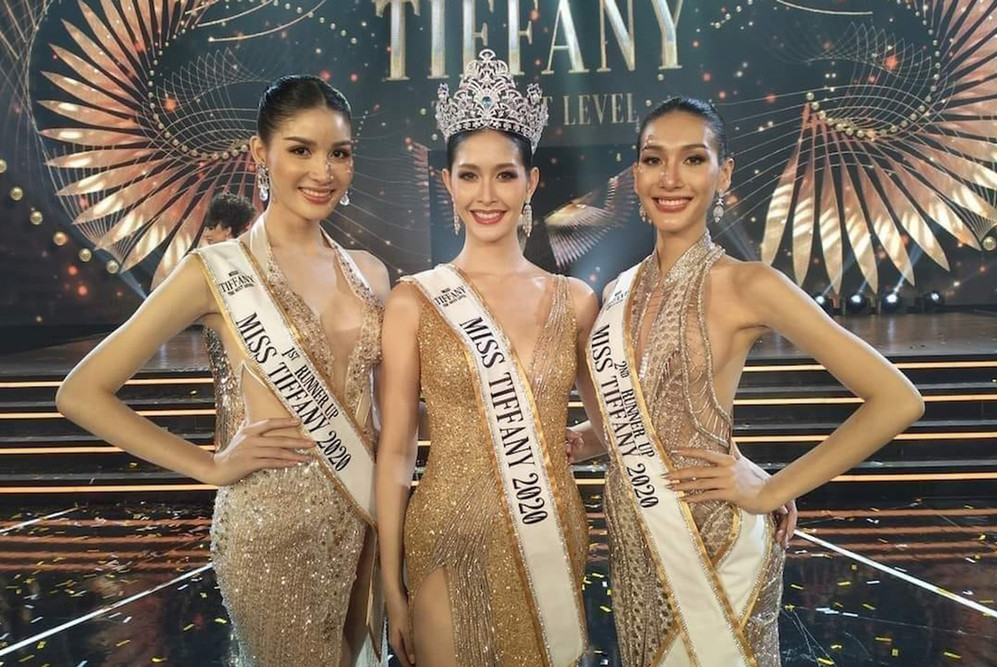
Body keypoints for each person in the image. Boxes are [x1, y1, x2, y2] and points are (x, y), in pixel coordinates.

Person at [570, 96, 924, 666]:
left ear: (724, 172)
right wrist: (582, 439)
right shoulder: (617, 290)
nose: (670, 178)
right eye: (654, 159)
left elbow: (897, 400)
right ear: (636, 174)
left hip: (713, 541)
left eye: (693, 159)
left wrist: (772, 489)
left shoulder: (749, 284)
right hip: (633, 537)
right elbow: (642, 418)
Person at [57, 75, 390, 667]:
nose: (324, 171)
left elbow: (383, 410)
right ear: (260, 153)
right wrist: (208, 465)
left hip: (366, 521)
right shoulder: (212, 271)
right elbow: (81, 392)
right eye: (301, 150)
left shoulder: (371, 272)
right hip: (271, 531)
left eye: (339, 153)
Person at [375, 49, 596, 667]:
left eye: (505, 175)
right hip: (446, 536)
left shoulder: (577, 301)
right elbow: (395, 451)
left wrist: (574, 440)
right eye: (469, 175)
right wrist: (391, 585)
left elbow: (620, 424)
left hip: (550, 532)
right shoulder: (414, 300)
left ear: (531, 182)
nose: (487, 194)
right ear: (447, 183)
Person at [198, 191, 257, 451]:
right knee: (228, 394)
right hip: (225, 337)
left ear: (229, 228)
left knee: (233, 394)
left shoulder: (223, 259)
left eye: (213, 227)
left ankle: (233, 448)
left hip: (236, 336)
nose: (207, 233)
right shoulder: (246, 255)